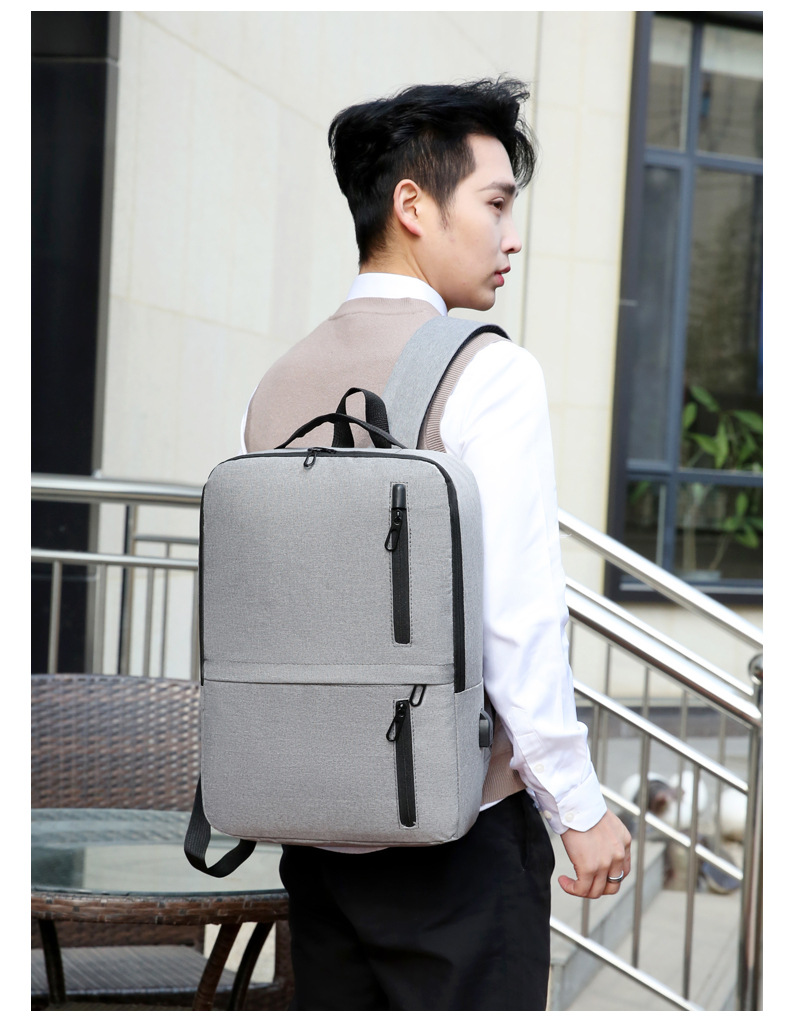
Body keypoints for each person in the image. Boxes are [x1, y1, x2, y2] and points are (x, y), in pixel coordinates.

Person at [241, 77, 631, 1012]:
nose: (511, 236)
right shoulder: (489, 372)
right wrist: (578, 806)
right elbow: (516, 616)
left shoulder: (276, 383)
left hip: (314, 833)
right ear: (413, 207)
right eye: (495, 204)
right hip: (457, 836)